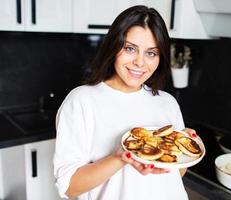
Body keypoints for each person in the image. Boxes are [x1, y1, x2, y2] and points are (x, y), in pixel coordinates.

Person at [53, 5, 198, 200]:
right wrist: (120, 157)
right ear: (113, 47)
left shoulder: (167, 102)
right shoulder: (82, 101)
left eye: (151, 53)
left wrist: (182, 149)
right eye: (130, 49)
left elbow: (175, 175)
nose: (140, 62)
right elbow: (70, 186)